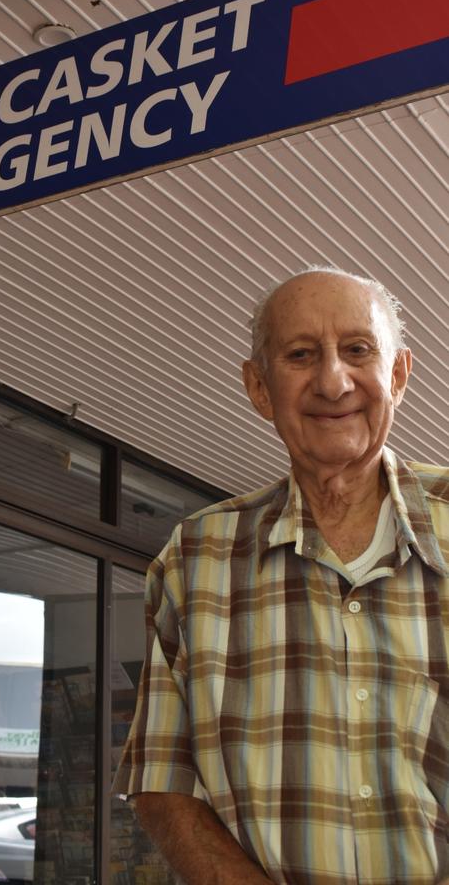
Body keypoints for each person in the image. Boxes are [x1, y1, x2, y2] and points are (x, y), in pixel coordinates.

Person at [113, 267, 449, 885]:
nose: (332, 380)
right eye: (300, 355)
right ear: (259, 388)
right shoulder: (196, 559)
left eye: (357, 350)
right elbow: (161, 778)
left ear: (398, 375)